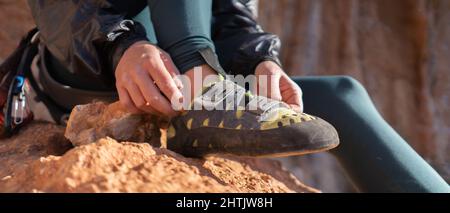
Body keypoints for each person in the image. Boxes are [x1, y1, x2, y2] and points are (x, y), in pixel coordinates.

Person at [13, 0, 448, 192]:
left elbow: (229, 10)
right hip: (90, 65)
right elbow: (57, 7)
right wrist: (121, 43)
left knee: (342, 96)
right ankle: (202, 89)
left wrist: (259, 62)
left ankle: (204, 89)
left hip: (189, 72)